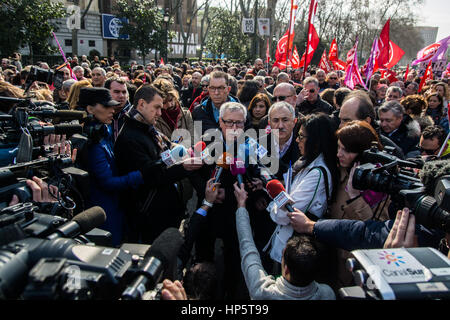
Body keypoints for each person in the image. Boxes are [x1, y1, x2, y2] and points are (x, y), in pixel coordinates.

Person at [114, 84, 203, 244]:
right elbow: (151, 177)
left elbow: (168, 147)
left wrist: (183, 151)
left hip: (164, 210)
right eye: (156, 108)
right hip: (150, 215)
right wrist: (184, 167)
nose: (160, 113)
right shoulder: (130, 137)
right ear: (141, 104)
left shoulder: (148, 128)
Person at [232, 182, 335, 300]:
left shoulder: (262, 293)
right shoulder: (328, 294)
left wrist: (241, 205)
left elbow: (247, 245)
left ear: (285, 270)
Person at [266, 113, 337, 265]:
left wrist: (273, 206)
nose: (297, 140)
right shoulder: (305, 162)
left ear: (316, 141)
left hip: (295, 253)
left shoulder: (317, 174)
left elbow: (284, 215)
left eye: (301, 136)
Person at [78, 87, 144, 246]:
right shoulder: (92, 144)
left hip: (115, 205)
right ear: (89, 109)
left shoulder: (103, 132)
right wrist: (142, 174)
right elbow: (107, 182)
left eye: (112, 106)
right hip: (103, 210)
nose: (112, 110)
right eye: (106, 106)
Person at [328, 120, 390, 288]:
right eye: (338, 147)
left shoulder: (378, 184)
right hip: (332, 251)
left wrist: (355, 197)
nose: (339, 154)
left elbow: (375, 228)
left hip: (355, 262)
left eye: (346, 150)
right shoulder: (341, 169)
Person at [338, 90, 405, 159]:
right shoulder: (336, 142)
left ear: (367, 121)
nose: (340, 126)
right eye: (340, 120)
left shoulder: (391, 153)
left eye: (347, 120)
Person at [192, 71, 239, 136]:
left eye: (220, 88)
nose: (216, 92)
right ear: (208, 89)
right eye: (212, 88)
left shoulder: (241, 113)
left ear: (228, 89)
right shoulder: (199, 112)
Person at [105, 77, 132, 142]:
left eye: (124, 92)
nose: (121, 96)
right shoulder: (99, 115)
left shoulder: (133, 115)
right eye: (117, 92)